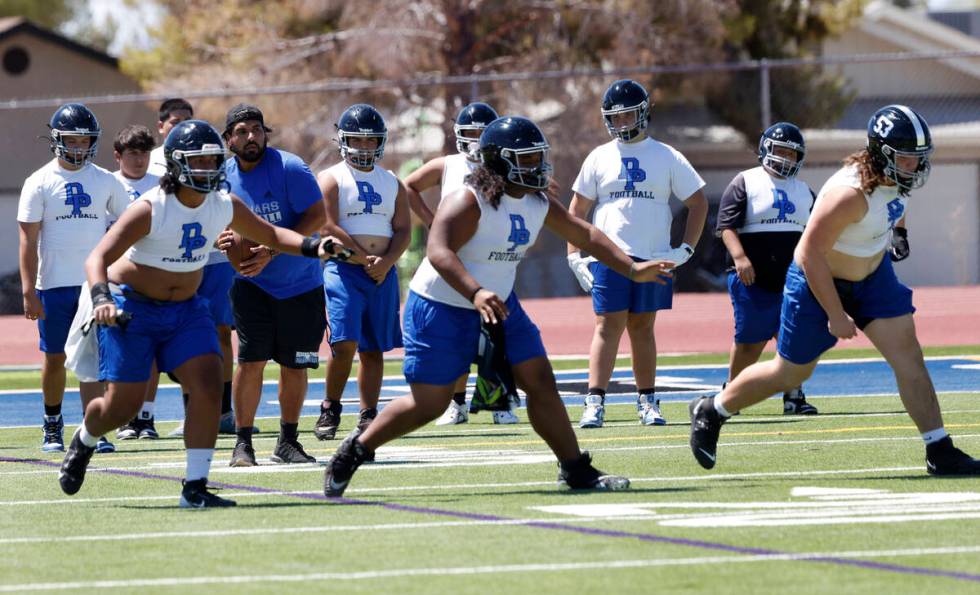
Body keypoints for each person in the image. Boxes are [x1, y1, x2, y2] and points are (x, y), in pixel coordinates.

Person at [322, 116, 675, 497]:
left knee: (540, 381)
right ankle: (355, 450)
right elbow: (439, 252)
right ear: (499, 162)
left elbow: (583, 232)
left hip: (498, 304)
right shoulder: (468, 200)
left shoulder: (537, 200)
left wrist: (631, 268)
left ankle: (575, 469)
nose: (537, 167)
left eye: (538, 157)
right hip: (441, 306)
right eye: (526, 159)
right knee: (431, 402)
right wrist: (474, 292)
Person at [57, 119, 352, 507]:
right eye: (199, 162)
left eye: (214, 161)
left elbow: (273, 235)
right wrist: (100, 300)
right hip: (133, 306)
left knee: (210, 385)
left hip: (186, 310)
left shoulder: (222, 204)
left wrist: (315, 247)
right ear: (177, 165)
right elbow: (99, 257)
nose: (209, 170)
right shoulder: (151, 208)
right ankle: (85, 439)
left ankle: (195, 486)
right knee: (122, 405)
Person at [689, 105, 980, 476]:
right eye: (907, 158)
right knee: (790, 374)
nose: (915, 167)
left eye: (918, 159)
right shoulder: (849, 193)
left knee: (909, 358)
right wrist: (836, 314)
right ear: (882, 154)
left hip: (874, 276)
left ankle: (939, 449)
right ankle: (713, 409)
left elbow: (895, 202)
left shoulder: (897, 178)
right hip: (818, 282)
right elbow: (808, 253)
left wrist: (899, 234)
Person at [566, 79, 708, 429]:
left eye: (628, 115)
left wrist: (686, 248)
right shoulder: (599, 156)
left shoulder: (667, 155)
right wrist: (574, 255)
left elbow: (698, 202)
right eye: (615, 118)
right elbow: (576, 211)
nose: (622, 124)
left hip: (653, 255)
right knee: (607, 326)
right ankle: (594, 401)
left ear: (643, 114)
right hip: (609, 256)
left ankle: (647, 401)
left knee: (643, 327)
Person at [18, 103, 129, 454]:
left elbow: (129, 225)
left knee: (94, 359)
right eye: (72, 139)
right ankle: (52, 424)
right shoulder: (39, 181)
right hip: (52, 284)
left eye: (85, 140)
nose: (79, 147)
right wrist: (27, 289)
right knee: (53, 358)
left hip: (93, 285)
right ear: (56, 139)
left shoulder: (106, 180)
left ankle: (92, 427)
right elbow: (27, 240)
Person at [221, 104, 327, 467]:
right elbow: (211, 221)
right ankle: (243, 443)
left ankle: (288, 441)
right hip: (251, 283)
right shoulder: (221, 176)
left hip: (300, 283)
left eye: (256, 129)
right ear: (228, 139)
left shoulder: (290, 168)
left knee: (295, 365)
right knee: (250, 361)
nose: (251, 137)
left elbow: (317, 216)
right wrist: (219, 240)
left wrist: (271, 249)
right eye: (241, 131)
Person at [402, 101, 521, 426]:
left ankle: (498, 400)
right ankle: (457, 402)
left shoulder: (504, 168)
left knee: (495, 335)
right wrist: (431, 220)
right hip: (454, 260)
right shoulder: (449, 164)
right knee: (458, 336)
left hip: (491, 258)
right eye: (470, 133)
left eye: (483, 134)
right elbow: (408, 185)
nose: (476, 140)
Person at [312, 104, 411, 441]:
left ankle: (368, 413)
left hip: (381, 273)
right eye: (358, 140)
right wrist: (358, 256)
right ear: (344, 140)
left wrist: (385, 262)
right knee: (344, 343)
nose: (365, 147)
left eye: (372, 141)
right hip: (344, 269)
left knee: (373, 348)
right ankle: (331, 406)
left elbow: (403, 230)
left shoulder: (392, 180)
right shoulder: (331, 177)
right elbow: (326, 224)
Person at [716, 122, 818, 415]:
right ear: (765, 149)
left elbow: (816, 233)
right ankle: (731, 393)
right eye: (781, 151)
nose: (786, 158)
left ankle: (794, 395)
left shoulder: (804, 191)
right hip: (752, 276)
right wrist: (740, 258)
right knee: (749, 342)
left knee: (794, 338)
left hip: (793, 277)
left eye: (792, 153)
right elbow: (726, 226)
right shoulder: (745, 181)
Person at [106, 125, 164, 440]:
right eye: (132, 153)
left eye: (143, 153)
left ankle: (146, 416)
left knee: (151, 349)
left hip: (155, 273)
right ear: (118, 156)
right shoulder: (107, 185)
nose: (139, 160)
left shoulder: (162, 185)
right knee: (120, 350)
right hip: (117, 277)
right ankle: (123, 415)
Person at [146, 98, 193, 177]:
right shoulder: (150, 161)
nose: (183, 126)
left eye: (187, 121)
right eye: (175, 122)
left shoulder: (200, 157)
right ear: (161, 127)